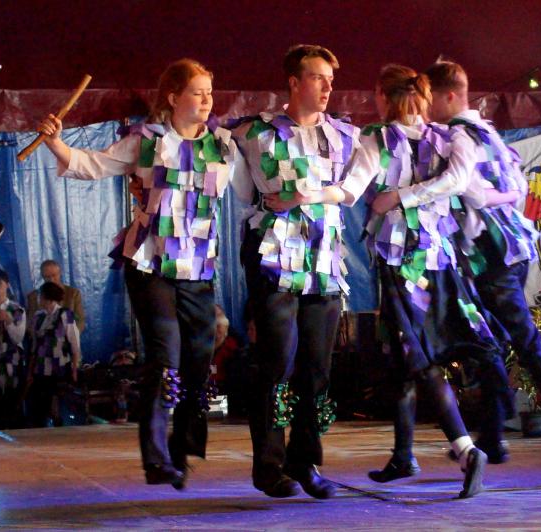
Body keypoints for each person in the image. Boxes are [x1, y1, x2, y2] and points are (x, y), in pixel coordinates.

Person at [37, 58, 239, 489]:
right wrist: (56, 143)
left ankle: (181, 450)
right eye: (198, 92)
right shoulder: (147, 142)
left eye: (209, 92)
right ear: (174, 97)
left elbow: (253, 182)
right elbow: (93, 164)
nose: (207, 100)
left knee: (197, 362)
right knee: (165, 358)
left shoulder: (224, 145)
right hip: (150, 265)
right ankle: (157, 458)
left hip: (197, 267)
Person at [424, 59, 541, 484]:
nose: (425, 106)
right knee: (487, 339)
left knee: (525, 346)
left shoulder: (458, 136)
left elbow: (467, 189)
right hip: (509, 251)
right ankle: (493, 436)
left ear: (448, 95)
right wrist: (506, 196)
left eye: (429, 97)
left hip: (492, 255)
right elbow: (519, 185)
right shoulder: (486, 131)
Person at [339, 63, 501, 498]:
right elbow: (466, 186)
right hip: (439, 260)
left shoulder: (377, 139)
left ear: (384, 96)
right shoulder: (446, 137)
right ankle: (403, 454)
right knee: (404, 356)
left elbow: (353, 189)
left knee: (417, 356)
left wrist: (390, 197)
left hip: (401, 263)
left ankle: (466, 449)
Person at [230, 45, 359, 500]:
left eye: (330, 80)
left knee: (317, 366)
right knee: (277, 360)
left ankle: (306, 461)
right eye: (318, 77)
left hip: (324, 258)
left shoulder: (344, 135)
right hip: (272, 253)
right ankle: (269, 466)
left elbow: (356, 186)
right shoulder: (253, 132)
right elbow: (233, 182)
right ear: (294, 81)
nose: (327, 87)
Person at [26, 282, 80, 427]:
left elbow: (74, 343)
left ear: (47, 297)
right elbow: (34, 346)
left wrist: (75, 368)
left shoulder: (66, 314)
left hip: (60, 367)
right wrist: (31, 370)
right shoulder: (38, 317)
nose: (38, 299)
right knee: (40, 405)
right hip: (41, 368)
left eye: (40, 296)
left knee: (59, 404)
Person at [0, 270, 26, 429]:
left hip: (12, 362)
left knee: (12, 401)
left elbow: (18, 338)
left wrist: (8, 322)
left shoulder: (17, 309)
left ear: (7, 285)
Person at [26, 260, 85, 334]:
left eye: (54, 275)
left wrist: (70, 335)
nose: (51, 280)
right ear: (42, 276)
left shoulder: (73, 294)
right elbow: (30, 322)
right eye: (47, 277)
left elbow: (80, 320)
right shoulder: (33, 296)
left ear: (60, 273)